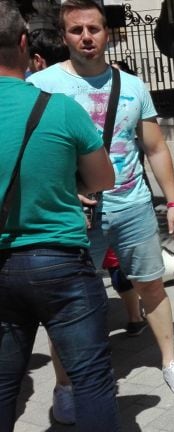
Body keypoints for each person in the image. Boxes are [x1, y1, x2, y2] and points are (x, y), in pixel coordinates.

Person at [28, 0, 174, 407]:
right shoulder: (42, 85)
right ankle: (66, 386)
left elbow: (154, 147)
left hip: (133, 205)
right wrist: (63, 188)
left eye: (94, 29)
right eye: (76, 30)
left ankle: (169, 360)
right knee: (67, 304)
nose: (86, 37)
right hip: (71, 215)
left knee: (151, 285)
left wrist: (173, 201)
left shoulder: (133, 86)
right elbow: (30, 152)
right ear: (64, 35)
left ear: (108, 33)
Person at [0, 2, 119, 429]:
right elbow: (102, 179)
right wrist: (65, 185)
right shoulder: (61, 109)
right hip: (58, 260)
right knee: (90, 381)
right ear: (23, 43)